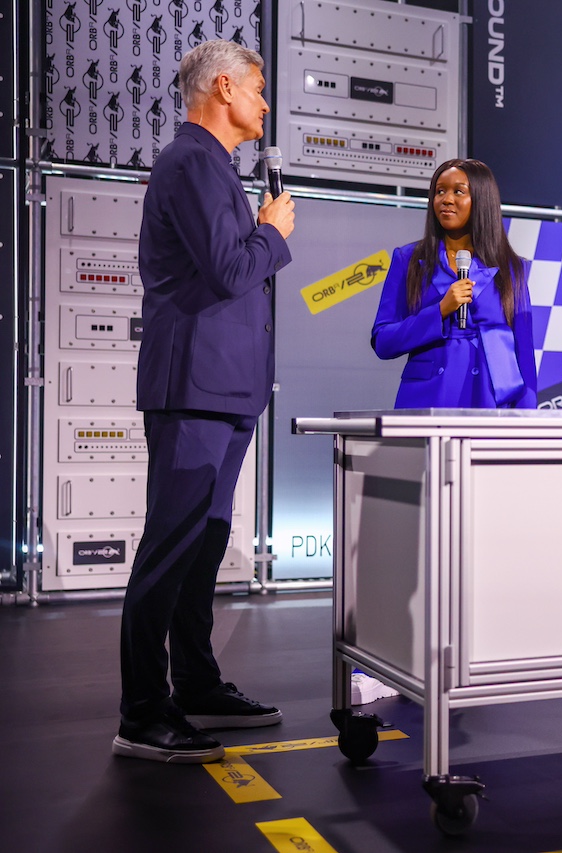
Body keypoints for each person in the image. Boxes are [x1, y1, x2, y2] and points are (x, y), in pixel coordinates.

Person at [115, 40, 295, 764]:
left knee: (203, 542)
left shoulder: (214, 166)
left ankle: (194, 678)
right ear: (223, 87)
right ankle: (141, 709)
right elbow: (230, 268)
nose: (264, 101)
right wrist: (273, 235)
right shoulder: (192, 160)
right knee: (170, 546)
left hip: (224, 391)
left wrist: (260, 234)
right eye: (257, 87)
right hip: (193, 387)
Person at [371, 159, 537, 410]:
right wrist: (439, 311)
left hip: (489, 400)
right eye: (440, 191)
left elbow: (524, 356)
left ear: (481, 200)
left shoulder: (511, 269)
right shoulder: (407, 259)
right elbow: (383, 341)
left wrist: (527, 427)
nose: (446, 199)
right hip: (428, 401)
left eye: (458, 191)